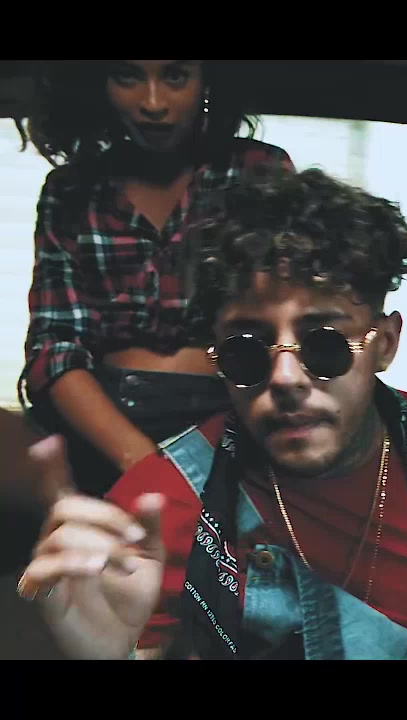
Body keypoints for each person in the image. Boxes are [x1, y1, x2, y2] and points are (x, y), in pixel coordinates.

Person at [12, 167, 407, 660]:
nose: (285, 378)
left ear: (385, 344)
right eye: (247, 351)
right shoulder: (156, 508)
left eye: (324, 345)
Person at [14, 60, 294, 503]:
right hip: (103, 422)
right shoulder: (70, 190)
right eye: (127, 76)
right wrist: (144, 465)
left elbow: (286, 324)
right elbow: (54, 348)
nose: (153, 103)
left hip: (230, 415)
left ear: (208, 79)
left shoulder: (258, 171)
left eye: (175, 76)